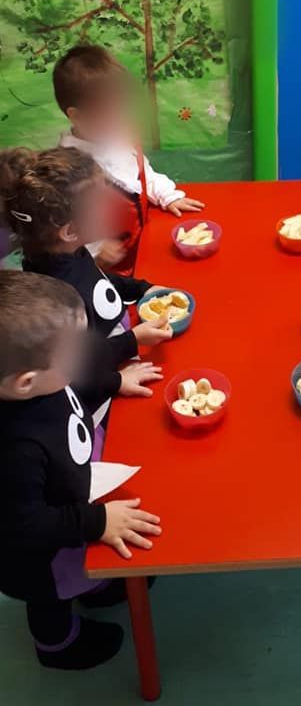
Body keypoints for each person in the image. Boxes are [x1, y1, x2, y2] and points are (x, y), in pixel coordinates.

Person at [0, 271, 162, 669]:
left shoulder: (44, 383)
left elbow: (70, 391)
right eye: (72, 353)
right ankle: (58, 647)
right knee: (50, 596)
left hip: (68, 500)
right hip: (36, 555)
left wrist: (111, 381)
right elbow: (27, 527)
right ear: (25, 382)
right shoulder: (14, 451)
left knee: (76, 569)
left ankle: (94, 585)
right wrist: (96, 521)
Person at [0, 147, 171, 397]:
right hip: (106, 386)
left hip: (122, 351)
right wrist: (118, 377)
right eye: (99, 204)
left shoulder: (70, 253)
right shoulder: (54, 296)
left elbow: (100, 281)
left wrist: (142, 289)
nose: (111, 207)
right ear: (69, 231)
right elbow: (73, 369)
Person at [53, 45, 204, 275]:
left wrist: (166, 194)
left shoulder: (118, 136)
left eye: (119, 109)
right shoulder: (66, 167)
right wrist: (95, 249)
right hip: (104, 267)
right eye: (107, 113)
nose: (117, 119)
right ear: (76, 115)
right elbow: (64, 223)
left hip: (141, 242)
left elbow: (142, 171)